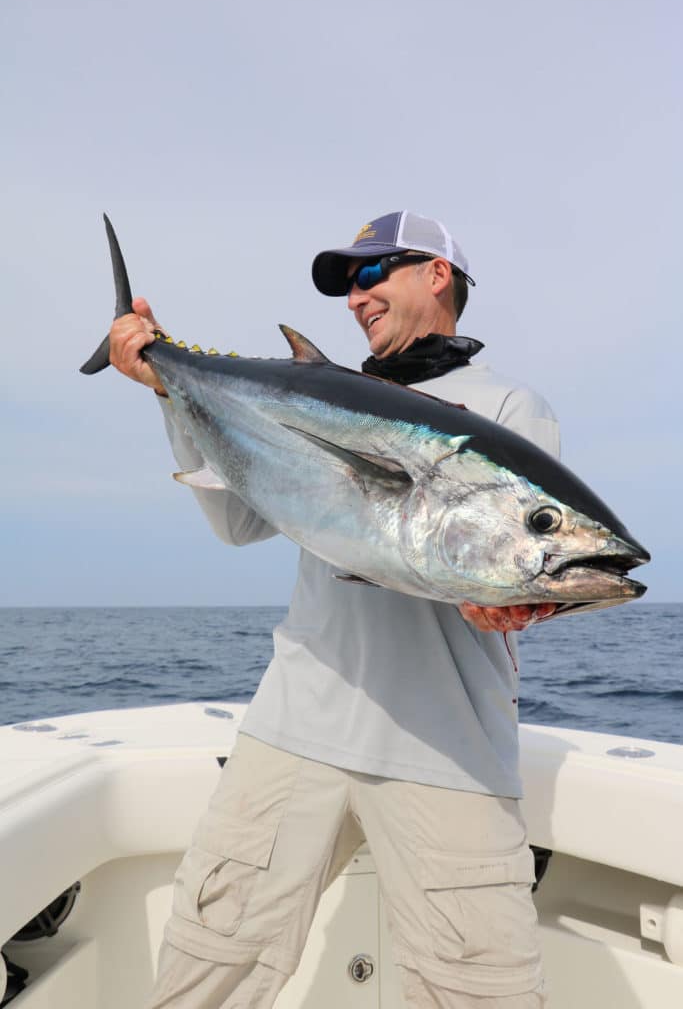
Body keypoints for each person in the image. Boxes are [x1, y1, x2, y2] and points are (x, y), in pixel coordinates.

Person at [109, 210, 559, 1008]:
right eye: (345, 287)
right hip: (296, 728)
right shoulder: (310, 398)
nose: (354, 298)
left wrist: (514, 601)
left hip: (447, 749)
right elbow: (236, 520)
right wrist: (169, 391)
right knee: (206, 971)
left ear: (437, 274)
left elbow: (526, 556)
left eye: (368, 274)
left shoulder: (506, 408)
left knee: (478, 991)